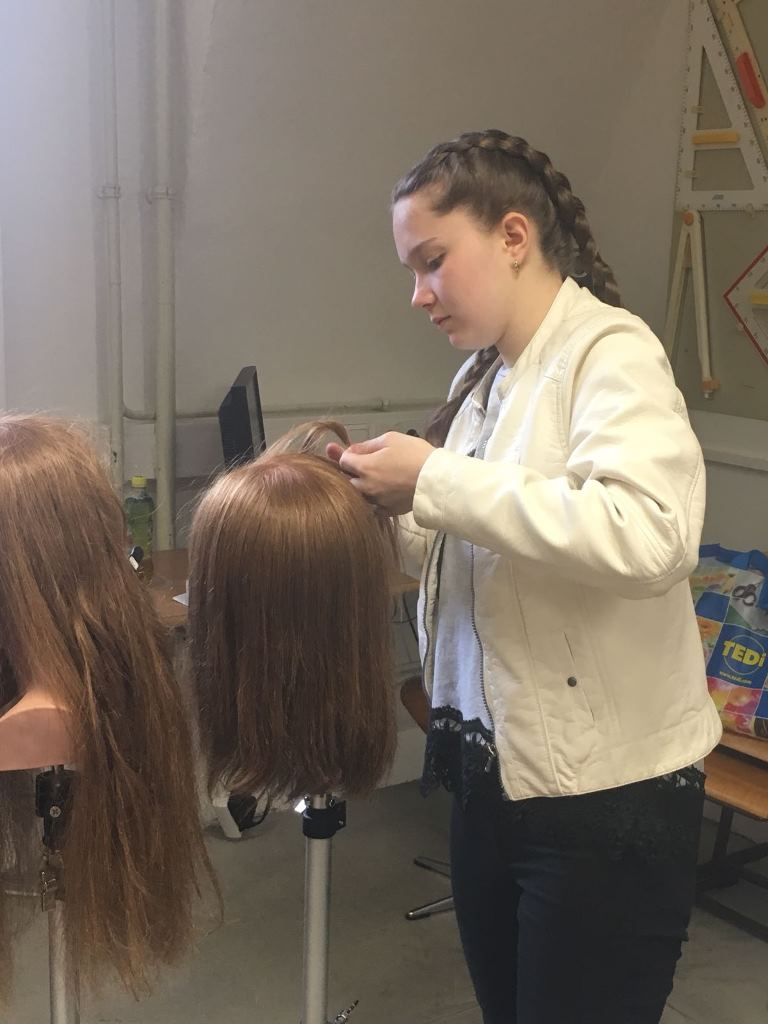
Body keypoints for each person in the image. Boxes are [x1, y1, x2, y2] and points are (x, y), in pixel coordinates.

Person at [327, 129, 722, 1024]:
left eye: (432, 261)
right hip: (492, 786)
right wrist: (370, 509)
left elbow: (652, 535)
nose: (418, 295)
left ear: (513, 235)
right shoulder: (486, 381)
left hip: (603, 807)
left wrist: (433, 479)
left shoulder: (610, 352)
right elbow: (472, 551)